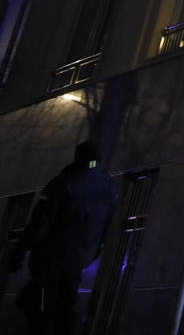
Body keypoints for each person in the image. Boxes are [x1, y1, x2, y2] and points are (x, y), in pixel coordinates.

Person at [7, 139, 117, 335]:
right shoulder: (108, 185)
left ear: (77, 158)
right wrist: (94, 251)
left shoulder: (64, 183)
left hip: (51, 258)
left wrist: (18, 254)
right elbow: (107, 225)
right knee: (66, 305)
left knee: (42, 308)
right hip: (79, 258)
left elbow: (40, 223)